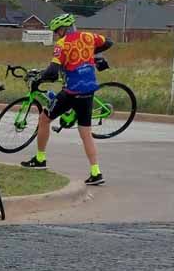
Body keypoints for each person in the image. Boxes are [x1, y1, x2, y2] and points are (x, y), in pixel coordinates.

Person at [20, 13, 113, 186]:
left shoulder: (62, 44)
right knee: (86, 133)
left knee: (44, 119)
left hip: (72, 91)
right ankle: (96, 172)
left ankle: (40, 159)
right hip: (89, 90)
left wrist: (39, 78)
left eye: (57, 31)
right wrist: (89, 53)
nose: (56, 34)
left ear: (64, 29)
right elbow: (108, 42)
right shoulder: (88, 36)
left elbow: (53, 72)